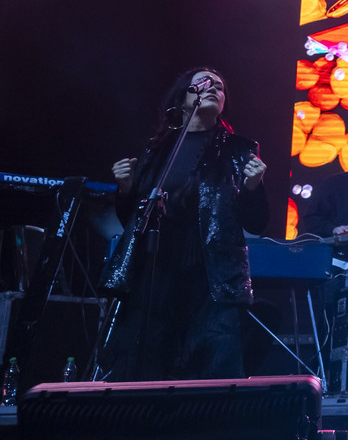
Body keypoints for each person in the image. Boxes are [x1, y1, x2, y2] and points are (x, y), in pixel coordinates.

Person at [102, 67, 269, 381]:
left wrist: (253, 187)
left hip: (212, 273)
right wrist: (125, 189)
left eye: (219, 87)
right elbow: (133, 222)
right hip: (157, 269)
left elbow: (257, 223)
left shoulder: (239, 150)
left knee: (213, 359)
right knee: (149, 357)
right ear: (182, 98)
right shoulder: (157, 150)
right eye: (203, 83)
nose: (213, 88)